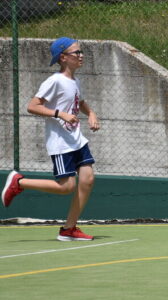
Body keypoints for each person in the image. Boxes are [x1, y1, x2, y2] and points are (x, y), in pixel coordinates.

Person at [2, 37, 101, 241]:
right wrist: (60, 114)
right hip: (60, 142)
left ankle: (69, 229)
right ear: (63, 58)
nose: (81, 56)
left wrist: (91, 113)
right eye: (77, 53)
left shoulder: (75, 81)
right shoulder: (54, 81)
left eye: (81, 52)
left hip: (77, 140)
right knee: (67, 187)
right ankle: (19, 183)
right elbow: (33, 106)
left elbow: (80, 101)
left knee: (88, 179)